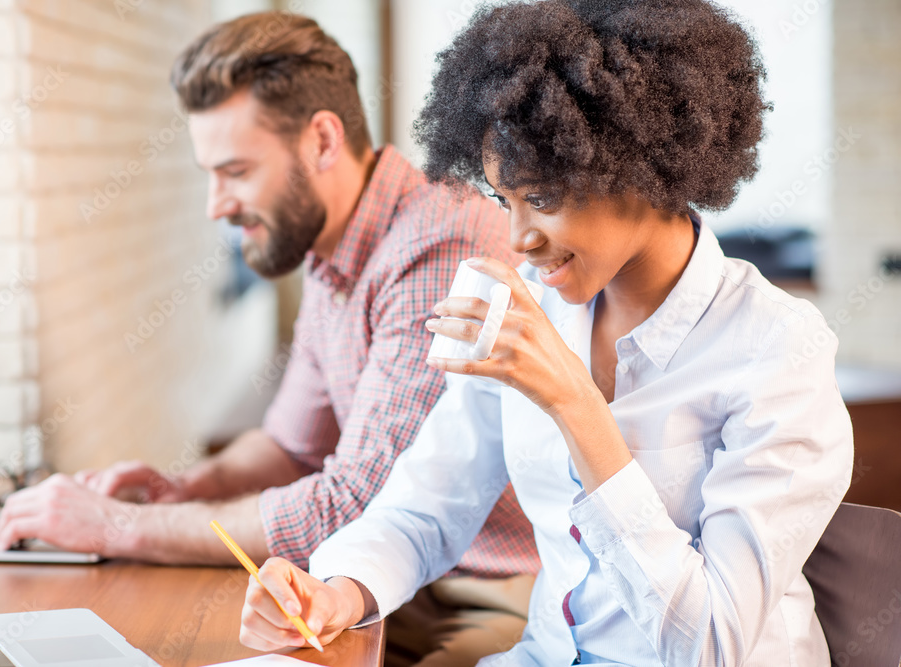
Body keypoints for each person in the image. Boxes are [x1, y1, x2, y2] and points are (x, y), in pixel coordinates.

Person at [237, 1, 855, 665]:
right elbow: (426, 506)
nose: (517, 239)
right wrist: (338, 591)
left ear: (643, 168)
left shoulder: (778, 350)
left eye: (544, 200)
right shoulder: (527, 309)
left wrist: (576, 404)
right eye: (506, 200)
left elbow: (710, 643)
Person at [0, 12, 540, 665]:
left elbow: (348, 504)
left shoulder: (436, 247)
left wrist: (116, 526)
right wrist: (186, 488)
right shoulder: (329, 247)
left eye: (235, 171)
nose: (216, 205)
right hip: (383, 577)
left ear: (322, 140)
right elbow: (289, 445)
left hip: (482, 588)